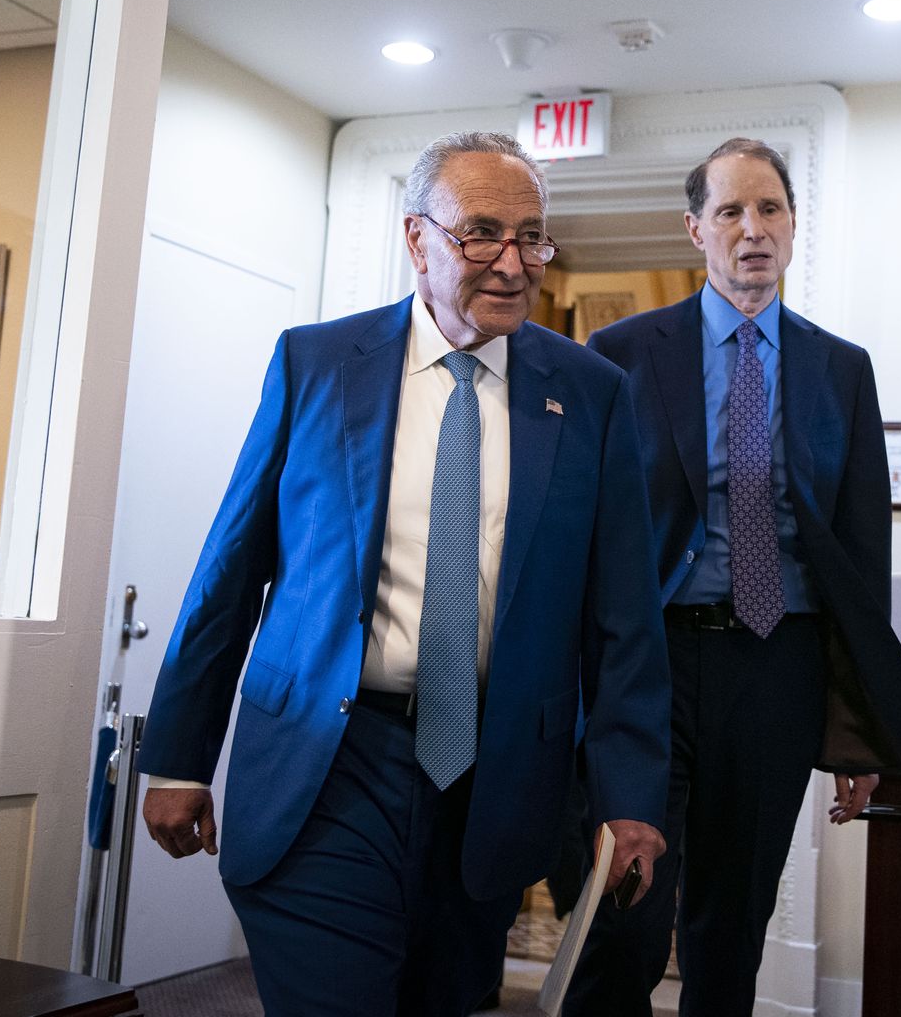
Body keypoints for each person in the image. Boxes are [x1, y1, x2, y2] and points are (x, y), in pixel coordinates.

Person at [135, 131, 670, 1017]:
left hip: (492, 774)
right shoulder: (317, 365)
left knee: (444, 997)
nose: (513, 263)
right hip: (333, 755)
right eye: (482, 234)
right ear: (417, 239)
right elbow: (231, 567)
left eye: (532, 236)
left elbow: (624, 622)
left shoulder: (589, 393)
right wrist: (178, 755)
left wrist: (631, 798)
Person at [567, 138, 901, 1015]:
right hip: (651, 667)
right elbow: (581, 528)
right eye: (730, 211)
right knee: (626, 916)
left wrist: (862, 728)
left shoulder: (840, 370)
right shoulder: (620, 352)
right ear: (696, 229)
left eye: (770, 209)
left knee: (730, 928)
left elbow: (859, 550)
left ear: (794, 227)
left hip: (780, 668)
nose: (752, 230)